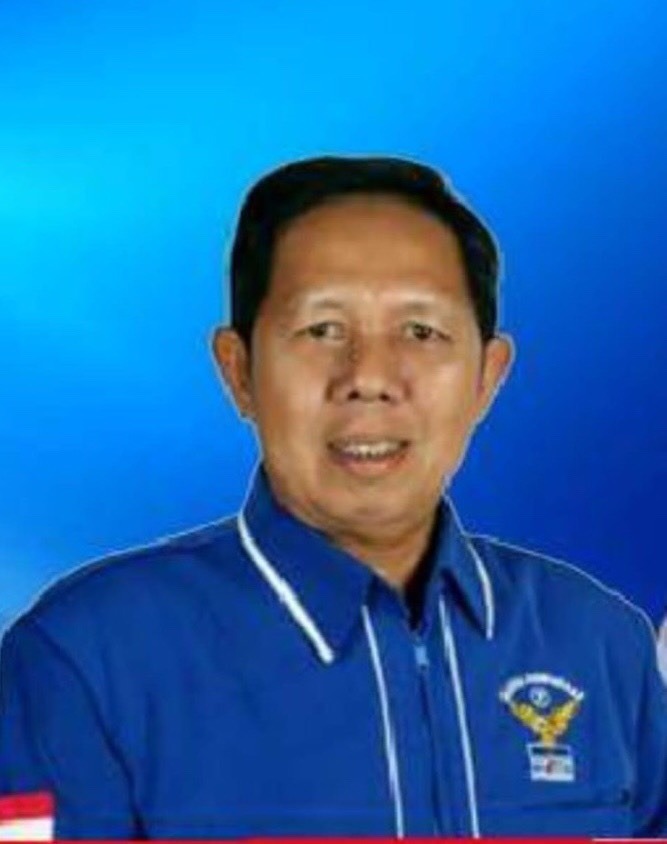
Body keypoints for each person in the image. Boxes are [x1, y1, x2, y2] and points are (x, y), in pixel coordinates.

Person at [1, 156, 666, 839]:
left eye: (421, 332)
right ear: (238, 370)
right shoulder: (86, 658)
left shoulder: (601, 644)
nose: (369, 377)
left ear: (487, 377)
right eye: (322, 330)